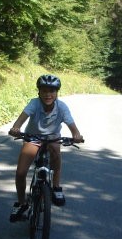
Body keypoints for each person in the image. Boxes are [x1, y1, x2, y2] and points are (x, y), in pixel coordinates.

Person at [8, 74, 83, 222]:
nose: (48, 94)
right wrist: (16, 127)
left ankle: (56, 187)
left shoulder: (62, 107)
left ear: (57, 93)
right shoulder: (34, 104)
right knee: (21, 172)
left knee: (56, 156)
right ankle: (22, 203)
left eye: (52, 91)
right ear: (39, 92)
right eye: (44, 91)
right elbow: (21, 120)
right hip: (33, 137)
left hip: (52, 137)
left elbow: (72, 127)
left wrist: (76, 135)